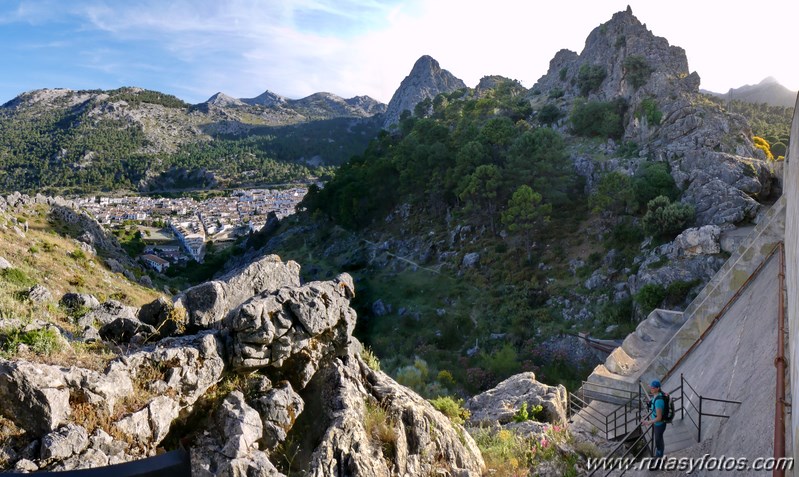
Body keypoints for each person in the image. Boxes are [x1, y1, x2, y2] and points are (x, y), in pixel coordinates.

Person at [642, 379, 667, 460]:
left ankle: (659, 460)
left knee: (658, 442)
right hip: (658, 424)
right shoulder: (657, 395)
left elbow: (659, 418)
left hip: (659, 425)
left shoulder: (658, 401)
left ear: (657, 388)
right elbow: (653, 406)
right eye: (650, 387)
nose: (651, 389)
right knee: (659, 439)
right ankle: (659, 456)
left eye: (652, 388)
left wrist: (648, 422)